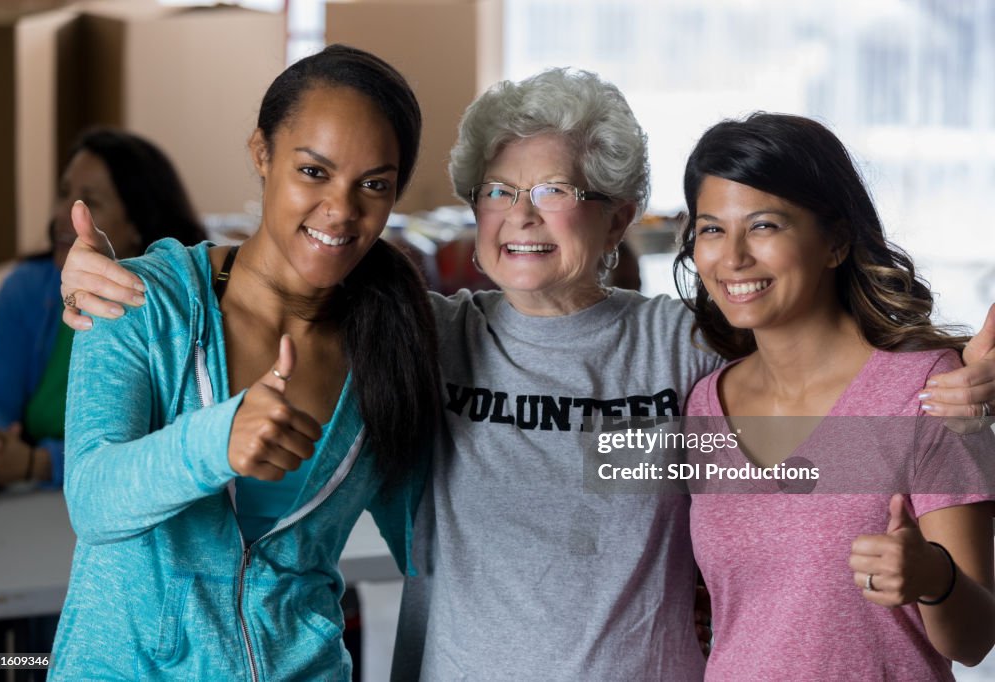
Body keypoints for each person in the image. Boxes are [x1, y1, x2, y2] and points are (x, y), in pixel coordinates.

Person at [59, 70, 995, 680]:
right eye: (499, 192)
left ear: (620, 214)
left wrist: (952, 394)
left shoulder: (688, 358)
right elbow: (306, 262)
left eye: (556, 191)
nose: (521, 218)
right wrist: (130, 277)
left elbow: (818, 396)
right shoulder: (420, 335)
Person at [48, 45, 439, 679]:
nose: (342, 209)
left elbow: (435, 544)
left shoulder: (397, 341)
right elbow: (93, 502)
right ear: (262, 153)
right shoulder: (143, 300)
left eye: (374, 184)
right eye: (314, 172)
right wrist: (216, 441)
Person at [676, 112, 995, 679]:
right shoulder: (704, 403)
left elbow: (973, 642)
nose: (733, 257)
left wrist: (934, 579)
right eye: (711, 229)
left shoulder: (923, 394)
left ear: (836, 242)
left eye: (765, 226)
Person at [0, 127, 206, 496]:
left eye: (90, 202)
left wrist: (42, 463)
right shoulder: (26, 290)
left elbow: (162, 445)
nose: (65, 214)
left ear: (136, 225)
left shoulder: (175, 309)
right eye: (64, 194)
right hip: (25, 509)